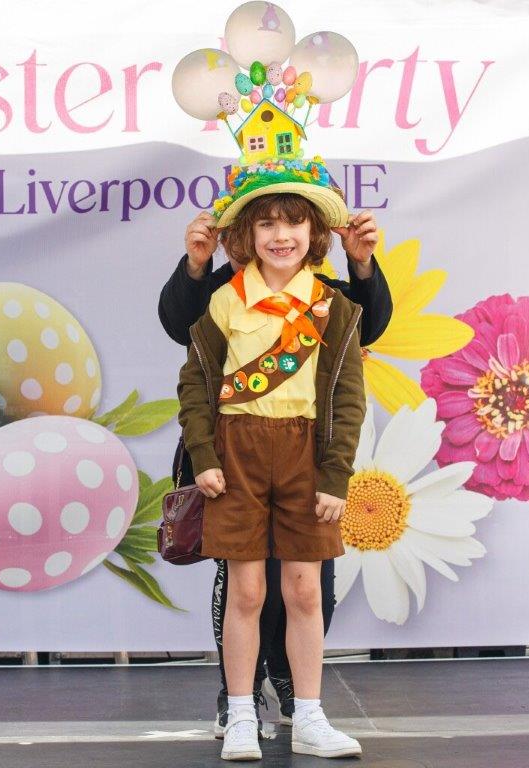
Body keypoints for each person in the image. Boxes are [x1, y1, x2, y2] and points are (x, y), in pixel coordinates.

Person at [159, 206, 390, 739]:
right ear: (244, 231)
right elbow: (184, 341)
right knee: (243, 588)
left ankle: (300, 700)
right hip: (233, 454)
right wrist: (196, 264)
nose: (280, 236)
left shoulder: (332, 299)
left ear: (315, 231)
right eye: (266, 223)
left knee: (308, 589)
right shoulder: (225, 291)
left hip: (307, 455)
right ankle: (237, 703)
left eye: (293, 222)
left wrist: (363, 265)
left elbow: (365, 342)